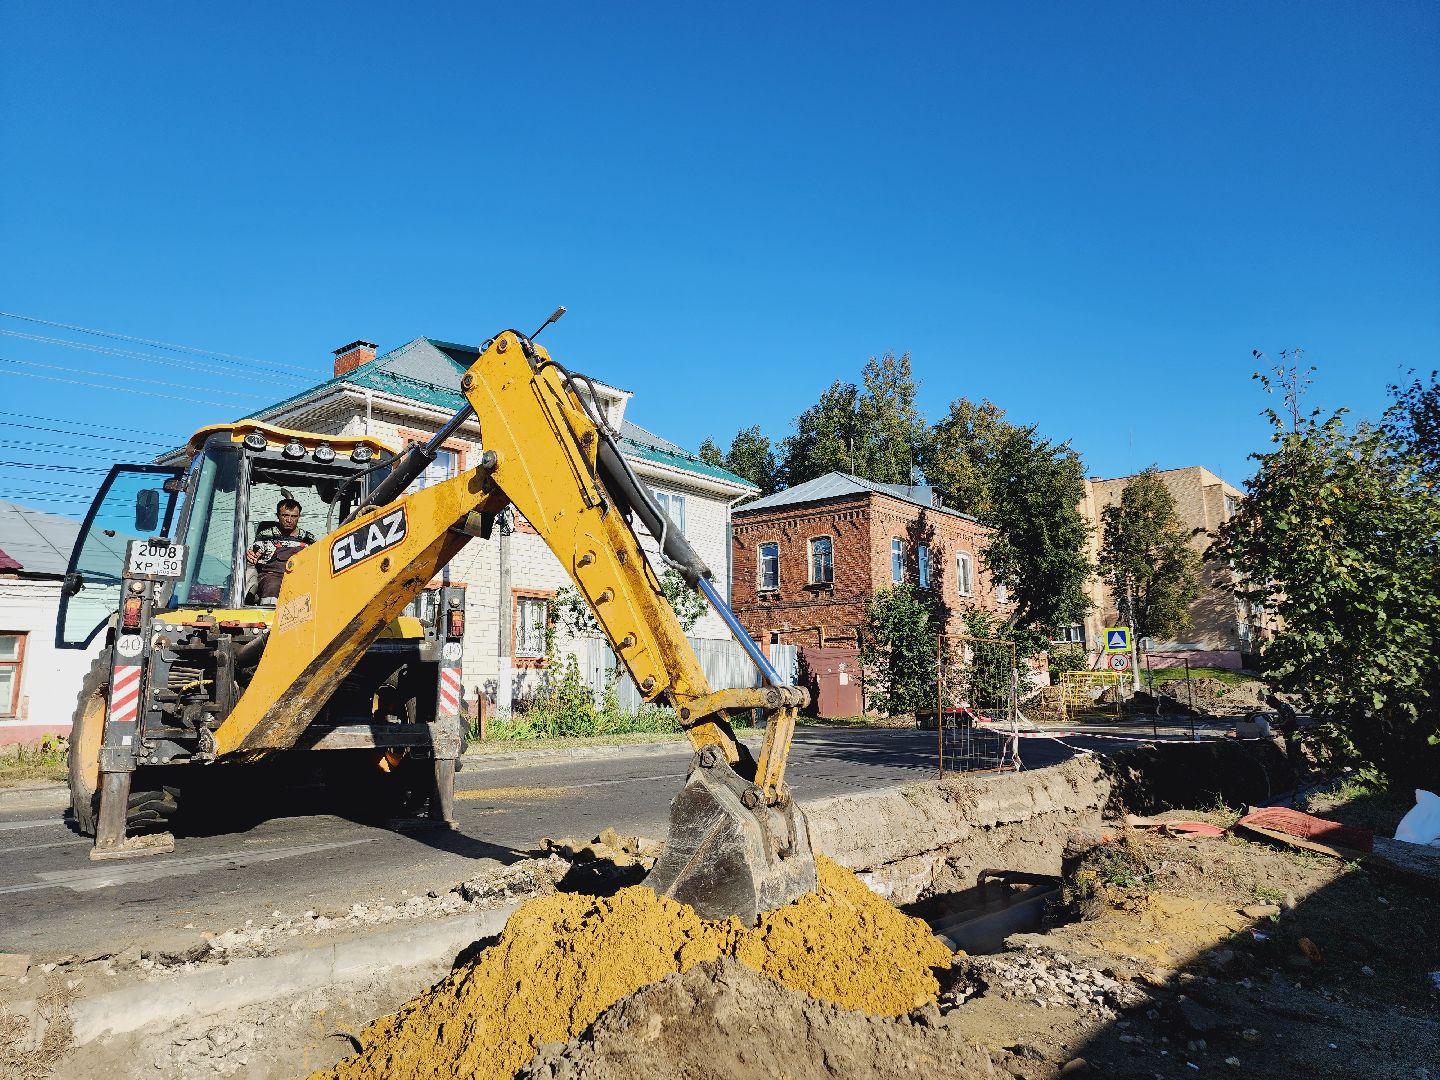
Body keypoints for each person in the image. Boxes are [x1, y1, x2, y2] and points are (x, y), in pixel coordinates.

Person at [246, 498, 315, 602]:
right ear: (278, 515)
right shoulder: (266, 535)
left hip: (299, 578)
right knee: (273, 585)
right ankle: (269, 610)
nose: (289, 520)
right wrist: (251, 556)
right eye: (285, 515)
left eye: (294, 516)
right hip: (271, 576)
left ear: (299, 517)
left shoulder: (308, 539)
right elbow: (254, 555)